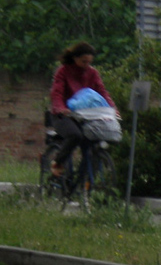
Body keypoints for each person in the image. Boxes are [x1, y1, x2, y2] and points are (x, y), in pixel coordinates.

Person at [48, 41, 116, 176]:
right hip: (64, 115)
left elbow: (102, 92)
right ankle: (58, 162)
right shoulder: (63, 71)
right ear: (75, 58)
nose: (87, 65)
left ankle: (87, 180)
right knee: (75, 135)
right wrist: (61, 108)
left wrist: (112, 108)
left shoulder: (92, 73)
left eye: (89, 62)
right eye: (84, 62)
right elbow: (57, 93)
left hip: (86, 115)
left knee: (94, 140)